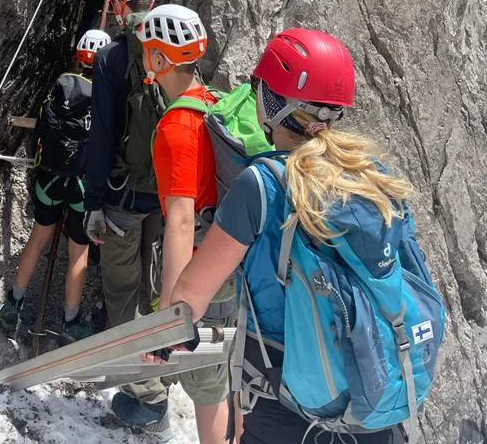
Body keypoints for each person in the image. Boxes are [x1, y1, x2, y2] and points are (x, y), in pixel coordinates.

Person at [155, 28, 414, 444]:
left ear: (272, 103)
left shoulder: (263, 183)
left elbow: (190, 296)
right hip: (374, 398)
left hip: (287, 409)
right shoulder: (375, 179)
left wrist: (165, 336)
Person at [137, 4, 237, 444]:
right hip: (231, 262)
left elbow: (179, 221)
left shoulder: (177, 125)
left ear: (159, 60)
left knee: (207, 389)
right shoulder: (215, 103)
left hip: (202, 275)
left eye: (147, 50)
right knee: (225, 378)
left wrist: (171, 315)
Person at [83, 0, 169, 433]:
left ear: (118, 2)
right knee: (152, 285)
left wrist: (94, 200)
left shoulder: (113, 58)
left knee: (121, 291)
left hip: (121, 197)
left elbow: (102, 136)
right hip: (163, 195)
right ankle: (161, 367)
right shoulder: (169, 47)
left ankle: (149, 397)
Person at [0, 28, 110, 343]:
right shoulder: (103, 96)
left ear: (79, 58)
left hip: (49, 176)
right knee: (78, 253)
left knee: (37, 239)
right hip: (81, 186)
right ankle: (70, 323)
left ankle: (13, 305)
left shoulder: (62, 85)